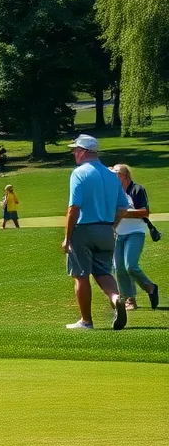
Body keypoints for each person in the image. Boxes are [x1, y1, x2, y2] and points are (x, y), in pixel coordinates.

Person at [62, 135, 128, 331]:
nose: (74, 153)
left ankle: (86, 321)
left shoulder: (79, 173)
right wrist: (112, 225)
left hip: (84, 229)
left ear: (83, 151)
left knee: (80, 275)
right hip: (106, 229)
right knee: (103, 272)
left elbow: (74, 207)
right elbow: (123, 207)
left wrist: (67, 237)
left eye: (75, 150)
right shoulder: (111, 175)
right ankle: (116, 298)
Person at [112, 164, 159, 311]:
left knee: (130, 266)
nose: (114, 175)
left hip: (135, 232)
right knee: (119, 269)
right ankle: (129, 299)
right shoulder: (112, 191)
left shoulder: (137, 189)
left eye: (117, 173)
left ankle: (150, 287)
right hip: (116, 234)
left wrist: (124, 213)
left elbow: (145, 212)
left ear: (125, 176)